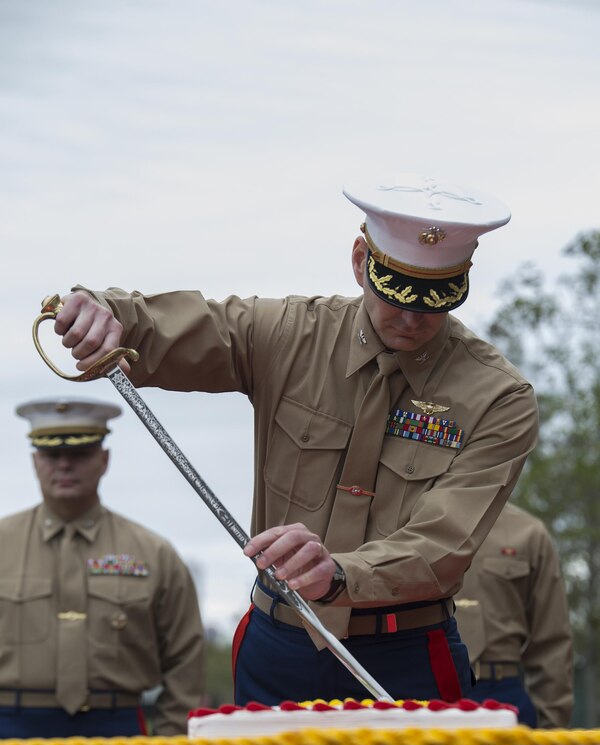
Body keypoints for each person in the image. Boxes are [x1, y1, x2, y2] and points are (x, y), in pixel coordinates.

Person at [50, 172, 538, 706]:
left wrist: (341, 575)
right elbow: (181, 329)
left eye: (434, 299)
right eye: (396, 291)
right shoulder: (288, 335)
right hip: (278, 645)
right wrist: (104, 312)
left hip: (406, 656)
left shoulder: (499, 397)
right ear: (360, 261)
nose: (410, 317)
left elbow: (445, 542)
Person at [0, 397, 205, 738]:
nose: (64, 465)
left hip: (116, 728)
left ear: (104, 459)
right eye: (52, 455)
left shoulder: (154, 554)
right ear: (35, 461)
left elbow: (186, 660)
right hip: (8, 726)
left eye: (80, 454)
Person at [455, 502, 573, 728]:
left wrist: (551, 729)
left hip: (500, 693)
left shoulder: (528, 533)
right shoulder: (409, 523)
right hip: (423, 692)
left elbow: (551, 640)